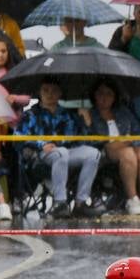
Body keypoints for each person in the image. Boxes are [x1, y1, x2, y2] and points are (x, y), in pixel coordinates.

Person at [17, 80, 104, 217]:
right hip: (42, 154)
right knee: (61, 152)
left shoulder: (69, 114)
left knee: (94, 154)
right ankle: (60, 202)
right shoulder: (31, 114)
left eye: (54, 91)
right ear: (39, 93)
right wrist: (41, 144)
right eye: (46, 90)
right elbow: (18, 137)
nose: (50, 94)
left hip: (67, 151)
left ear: (60, 93)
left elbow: (85, 140)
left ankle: (81, 203)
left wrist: (86, 122)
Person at [88, 81, 140, 215]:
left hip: (129, 145)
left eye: (109, 94)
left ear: (114, 97)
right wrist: (123, 142)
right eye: (101, 93)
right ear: (94, 95)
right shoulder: (90, 114)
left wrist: (129, 141)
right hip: (107, 151)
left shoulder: (123, 112)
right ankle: (132, 199)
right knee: (128, 153)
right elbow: (93, 140)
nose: (104, 97)